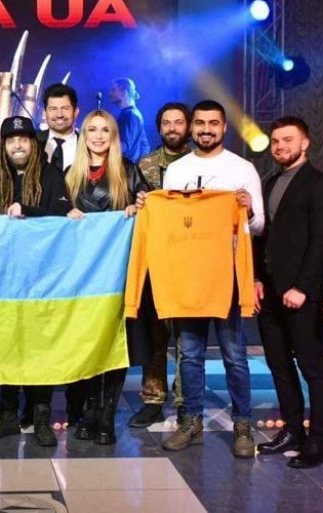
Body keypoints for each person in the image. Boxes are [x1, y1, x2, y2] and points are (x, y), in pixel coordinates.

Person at [161, 100, 263, 457]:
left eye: (213, 123)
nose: (206, 129)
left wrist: (248, 209)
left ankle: (243, 426)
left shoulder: (243, 168)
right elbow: (168, 223)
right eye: (200, 123)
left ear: (224, 128)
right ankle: (191, 422)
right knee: (189, 354)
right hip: (188, 275)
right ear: (192, 128)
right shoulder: (177, 170)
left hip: (227, 276)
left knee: (234, 355)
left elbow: (259, 226)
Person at [0, 112, 72, 447]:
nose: (18, 145)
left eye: (24, 139)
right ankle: (7, 415)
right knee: (7, 344)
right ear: (3, 146)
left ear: (33, 143)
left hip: (41, 278)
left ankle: (41, 416)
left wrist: (26, 211)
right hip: (1, 278)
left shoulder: (50, 174)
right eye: (12, 140)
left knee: (39, 346)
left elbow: (62, 218)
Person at [253, 117, 323, 468]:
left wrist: (303, 287)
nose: (280, 146)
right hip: (270, 289)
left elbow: (321, 242)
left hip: (301, 292)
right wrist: (257, 278)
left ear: (305, 143)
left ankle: (318, 441)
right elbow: (261, 235)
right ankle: (292, 429)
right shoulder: (270, 181)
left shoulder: (320, 185)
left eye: (288, 140)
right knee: (278, 363)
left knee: (312, 366)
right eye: (275, 141)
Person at [64, 109, 148, 445]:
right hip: (81, 277)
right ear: (83, 135)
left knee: (114, 343)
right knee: (86, 343)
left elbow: (151, 213)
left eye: (105, 130)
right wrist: (64, 213)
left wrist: (138, 209)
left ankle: (107, 417)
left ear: (113, 136)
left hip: (117, 275)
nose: (98, 136)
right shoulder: (71, 174)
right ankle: (87, 412)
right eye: (92, 130)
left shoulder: (129, 171)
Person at [128, 101, 191, 428]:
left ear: (188, 126)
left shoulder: (201, 164)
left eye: (178, 122)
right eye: (166, 122)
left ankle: (186, 400)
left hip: (191, 263)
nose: (172, 128)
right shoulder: (146, 164)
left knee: (187, 339)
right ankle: (152, 399)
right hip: (155, 262)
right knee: (154, 336)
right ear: (159, 127)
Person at [110, 78, 150, 162]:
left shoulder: (131, 115)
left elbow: (124, 145)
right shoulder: (131, 114)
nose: (110, 93)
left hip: (125, 167)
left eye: (113, 90)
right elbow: (145, 145)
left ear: (123, 92)